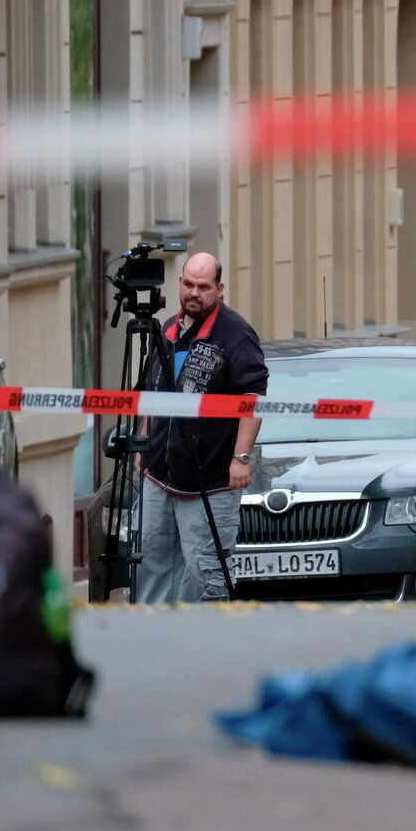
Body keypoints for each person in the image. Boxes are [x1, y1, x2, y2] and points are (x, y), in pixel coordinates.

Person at [136, 252, 267, 603]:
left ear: (219, 290)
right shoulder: (167, 330)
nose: (195, 293)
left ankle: (204, 647)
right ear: (180, 283)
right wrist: (144, 441)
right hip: (159, 477)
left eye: (204, 287)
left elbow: (253, 399)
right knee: (151, 565)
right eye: (189, 284)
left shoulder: (236, 335)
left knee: (204, 574)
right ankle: (153, 644)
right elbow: (154, 390)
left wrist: (241, 456)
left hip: (209, 483)